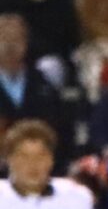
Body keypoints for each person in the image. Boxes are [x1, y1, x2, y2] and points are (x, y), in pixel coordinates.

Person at [0, 0, 79, 87]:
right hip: (16, 65)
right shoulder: (9, 3)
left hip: (52, 68)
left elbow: (73, 44)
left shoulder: (64, 6)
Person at [0, 14, 65, 162]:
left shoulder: (43, 83)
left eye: (16, 39)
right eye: (3, 38)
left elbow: (59, 128)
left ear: (26, 43)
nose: (10, 46)